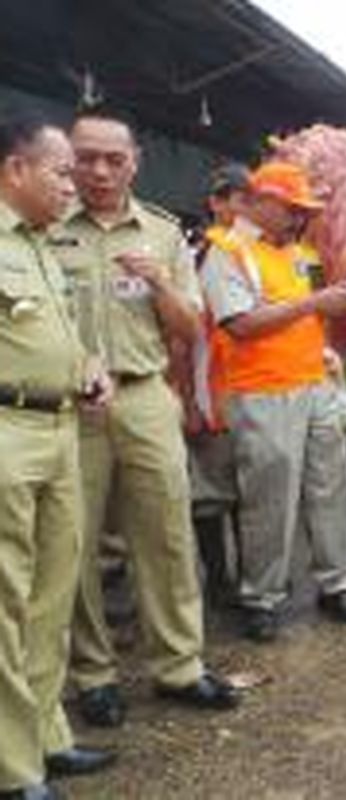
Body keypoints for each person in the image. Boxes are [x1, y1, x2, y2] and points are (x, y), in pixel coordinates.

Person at [52, 110, 237, 728]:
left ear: (135, 162)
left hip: (145, 396)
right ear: (68, 159)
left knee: (165, 535)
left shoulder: (161, 233)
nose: (99, 170)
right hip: (69, 407)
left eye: (113, 158)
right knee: (74, 545)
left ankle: (179, 666)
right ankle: (93, 675)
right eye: (86, 157)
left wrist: (161, 284)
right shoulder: (44, 226)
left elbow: (190, 331)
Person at [199, 160, 346, 642]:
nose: (299, 217)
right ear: (260, 201)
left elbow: (301, 317)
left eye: (303, 210)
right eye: (291, 208)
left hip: (313, 383)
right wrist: (317, 304)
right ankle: (262, 597)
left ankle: (337, 586)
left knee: (331, 486)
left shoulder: (299, 254)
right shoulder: (225, 252)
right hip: (262, 392)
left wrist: (330, 320)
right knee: (269, 498)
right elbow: (238, 324)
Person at [0, 111, 115, 800]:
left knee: (50, 597)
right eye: (61, 171)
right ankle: (13, 770)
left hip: (61, 428)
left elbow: (53, 336)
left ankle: (45, 737)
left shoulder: (43, 244)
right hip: (7, 432)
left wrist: (89, 368)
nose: (74, 185)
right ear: (16, 169)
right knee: (4, 601)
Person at [181, 165, 251, 602]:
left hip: (250, 393)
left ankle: (247, 577)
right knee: (210, 497)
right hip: (215, 395)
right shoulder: (203, 256)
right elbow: (183, 339)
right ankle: (219, 582)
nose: (249, 211)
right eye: (241, 201)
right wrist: (190, 401)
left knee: (250, 495)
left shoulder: (253, 255)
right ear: (217, 203)